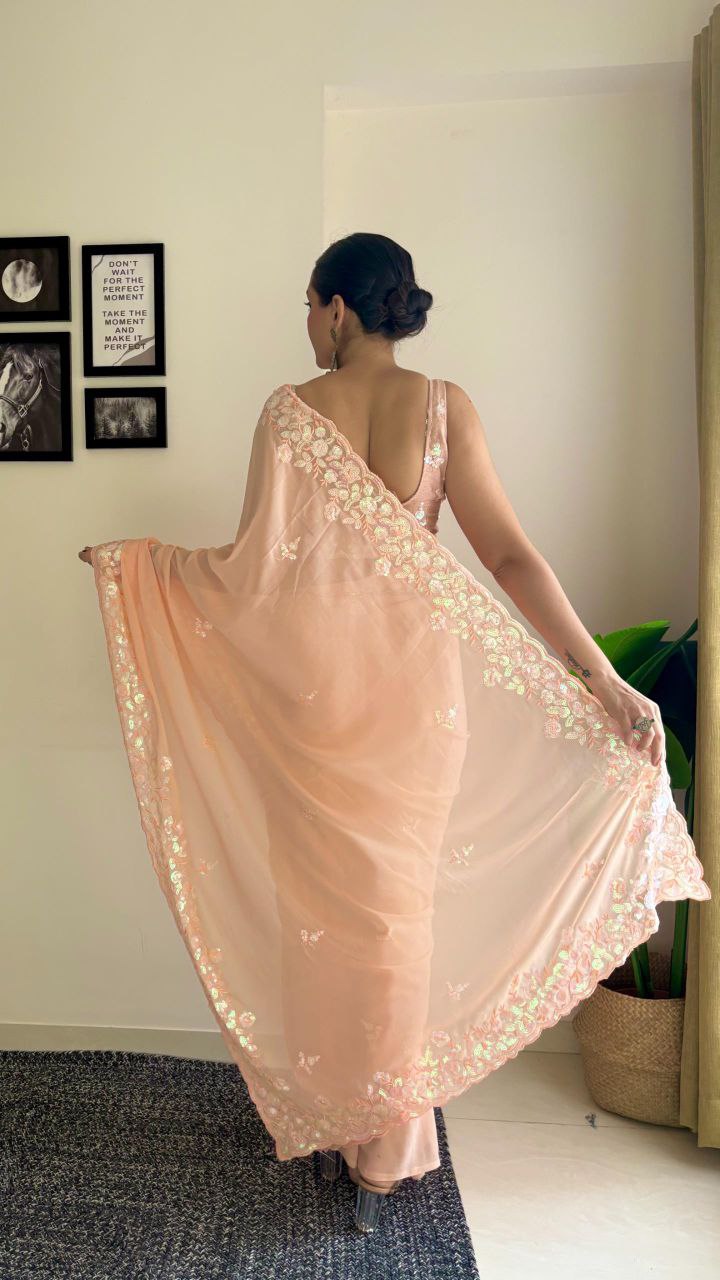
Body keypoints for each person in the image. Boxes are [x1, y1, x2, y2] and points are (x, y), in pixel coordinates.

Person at [79, 232, 711, 1233]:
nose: (306, 323)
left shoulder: (289, 413)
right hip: (419, 704)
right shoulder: (445, 407)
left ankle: (354, 1119)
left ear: (337, 308)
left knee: (322, 922)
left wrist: (142, 569)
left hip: (318, 704)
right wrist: (602, 681)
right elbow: (510, 556)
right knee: (396, 923)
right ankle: (382, 1146)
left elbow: (254, 577)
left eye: (308, 304)